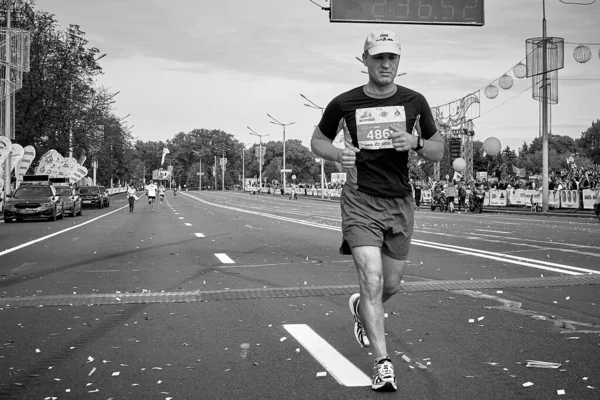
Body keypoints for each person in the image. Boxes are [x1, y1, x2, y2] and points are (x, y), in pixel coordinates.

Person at [310, 29, 444, 392]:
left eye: (392, 58)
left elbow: (438, 149)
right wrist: (339, 154)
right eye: (378, 57)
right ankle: (383, 364)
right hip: (360, 200)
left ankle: (360, 310)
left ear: (399, 62)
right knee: (370, 279)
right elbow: (317, 140)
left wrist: (415, 141)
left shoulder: (415, 101)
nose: (386, 64)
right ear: (365, 60)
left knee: (391, 285)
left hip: (400, 201)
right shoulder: (345, 103)